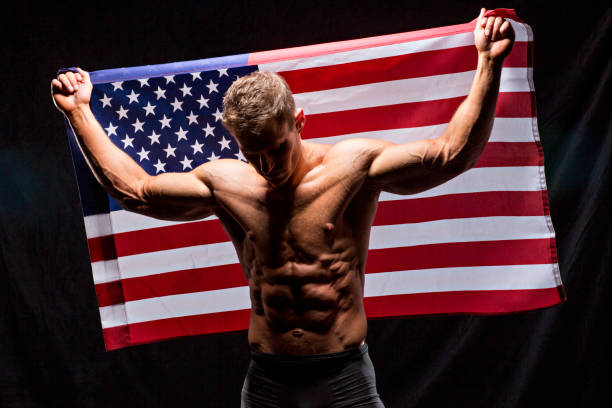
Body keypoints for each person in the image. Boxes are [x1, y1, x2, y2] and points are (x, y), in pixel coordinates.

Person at [52, 8, 514, 407]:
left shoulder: (351, 166)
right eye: (252, 153)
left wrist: (487, 64)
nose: (267, 164)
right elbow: (137, 191)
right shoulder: (227, 182)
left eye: (275, 148)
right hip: (269, 381)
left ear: (298, 122)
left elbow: (451, 154)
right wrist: (79, 113)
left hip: (344, 377)